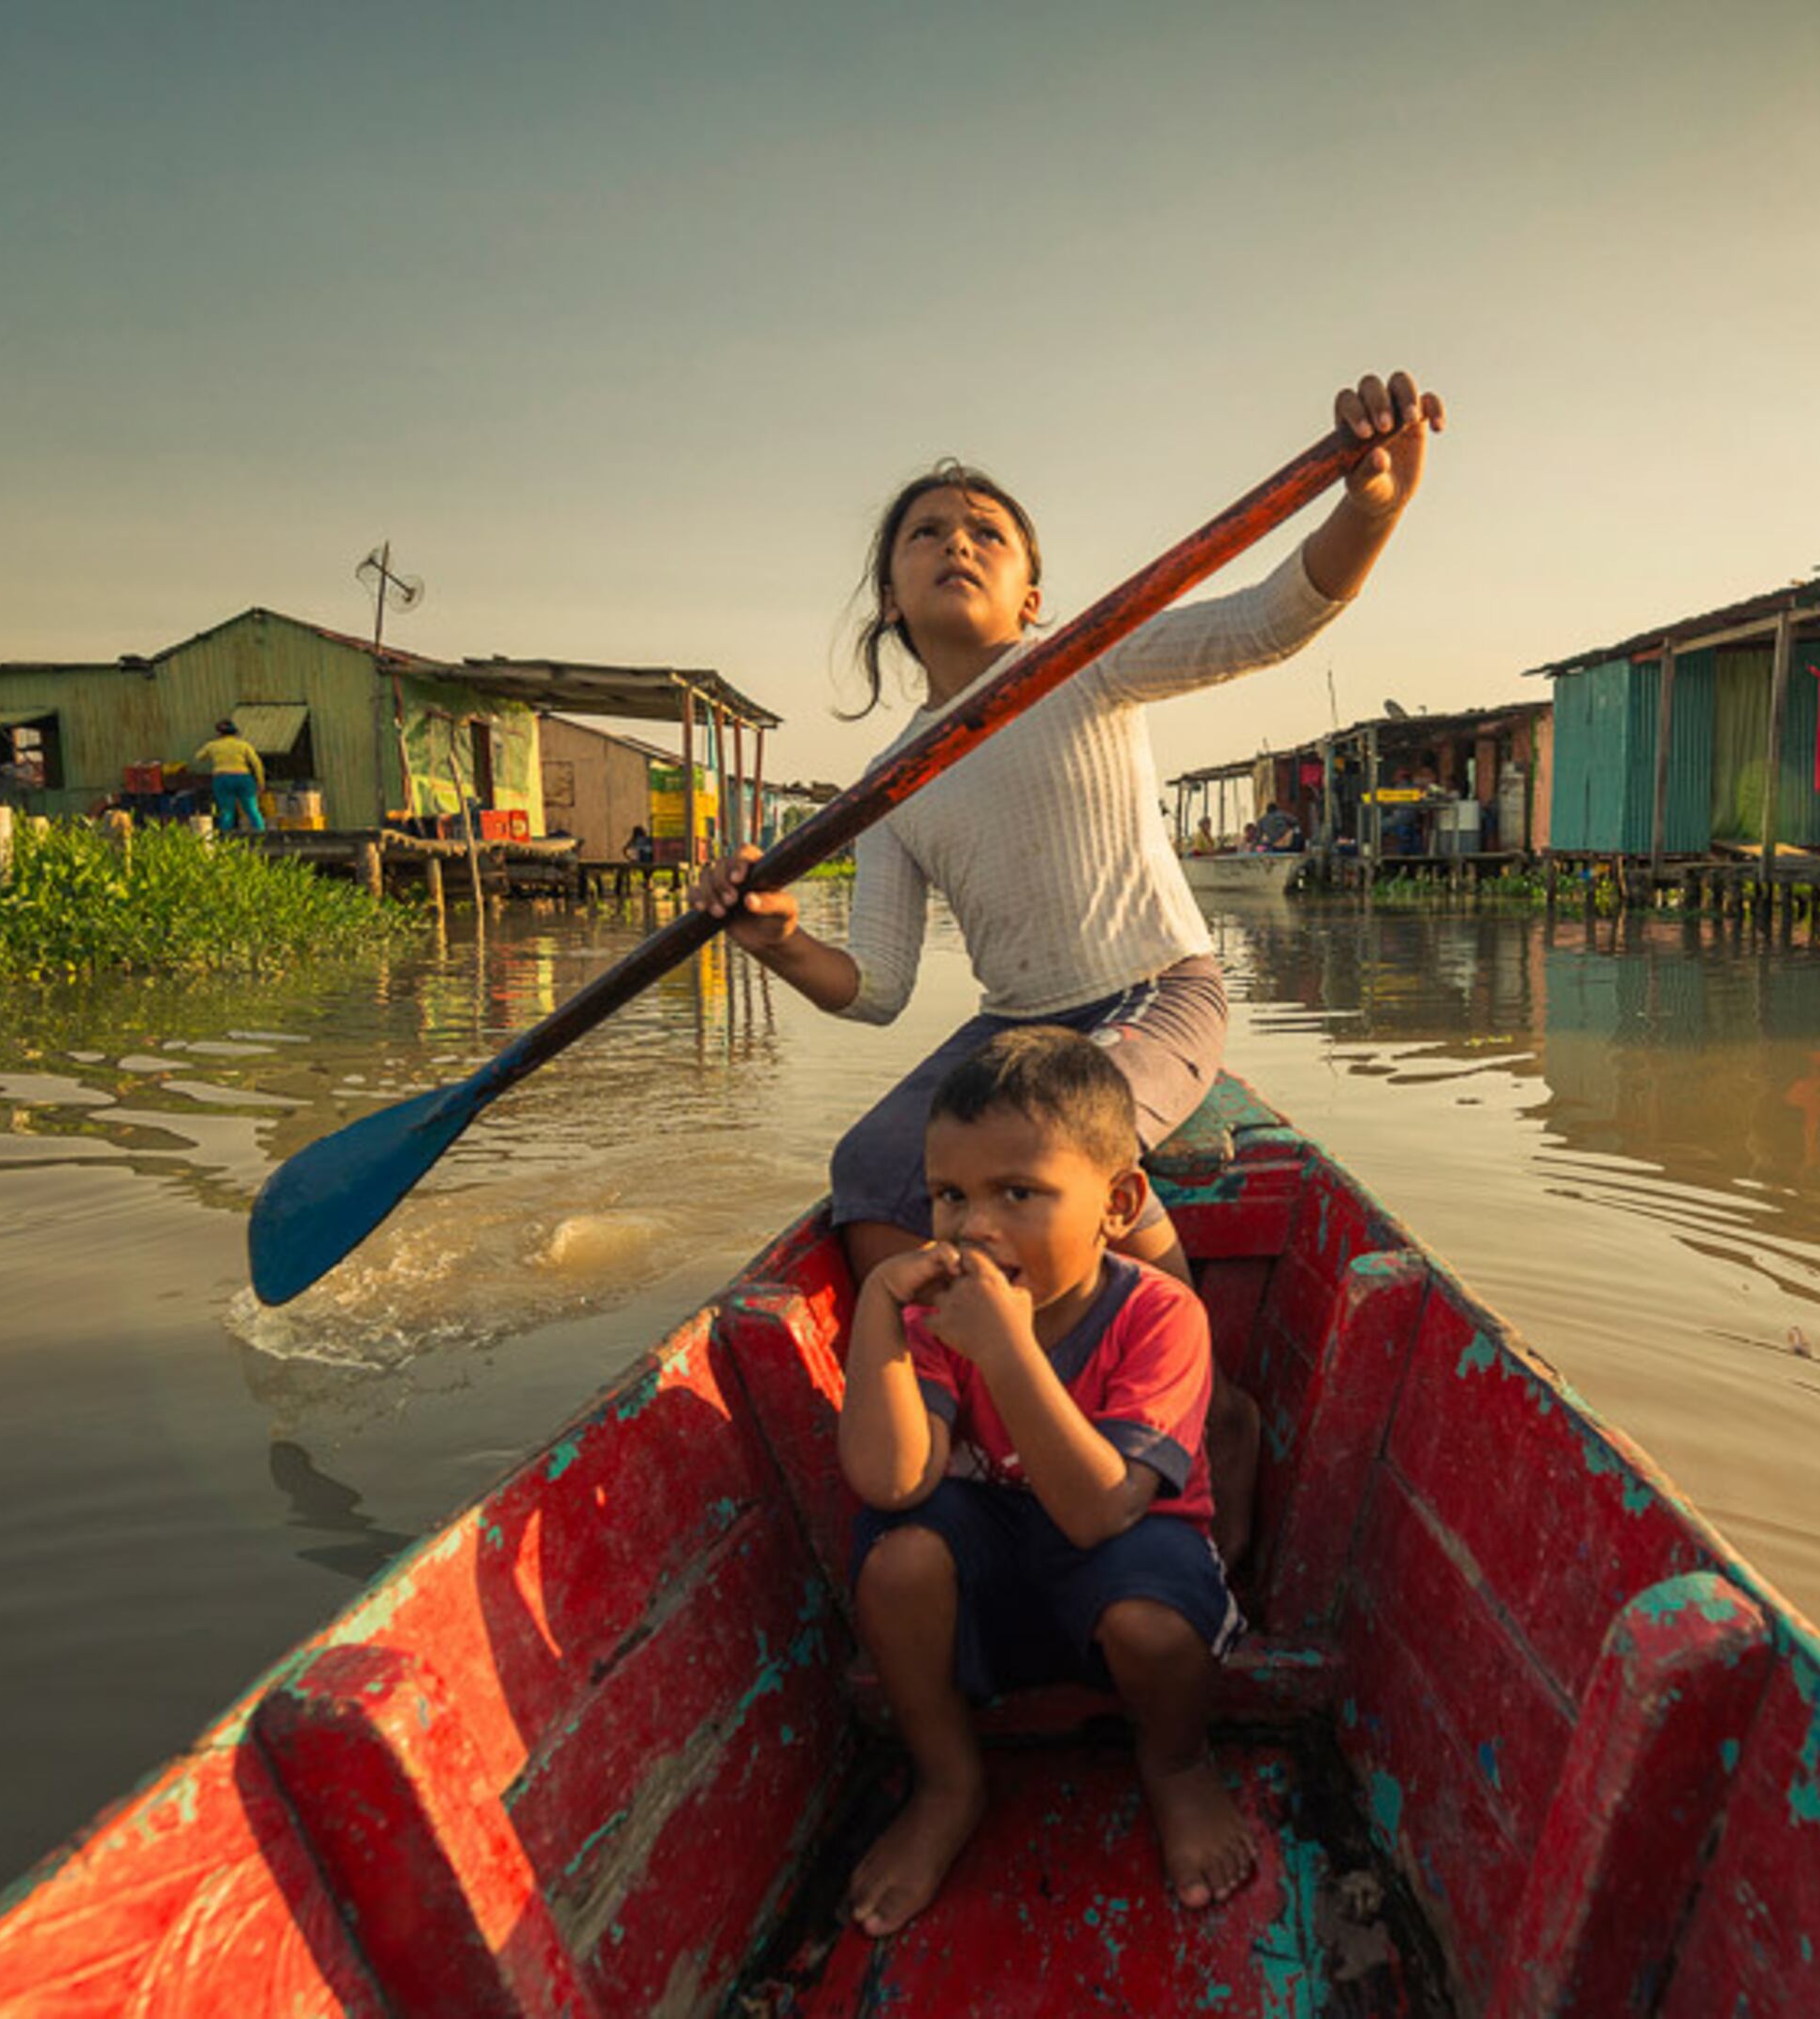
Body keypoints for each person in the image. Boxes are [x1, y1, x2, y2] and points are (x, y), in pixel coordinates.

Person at [693, 371, 1443, 1567]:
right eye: (927, 533)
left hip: (1158, 988)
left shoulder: (1085, 659)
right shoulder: (891, 784)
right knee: (871, 1167)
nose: (957, 543)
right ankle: (977, 1395)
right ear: (890, 599)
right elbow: (875, 987)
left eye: (986, 532)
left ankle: (1208, 1410)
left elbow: (1272, 618)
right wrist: (778, 940)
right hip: (1018, 1020)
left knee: (1066, 1138)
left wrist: (1373, 505)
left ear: (1030, 592)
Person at [838, 1027, 1245, 1934]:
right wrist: (879, 1309)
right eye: (949, 1196)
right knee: (895, 1560)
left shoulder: (1160, 1315)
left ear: (1117, 1203)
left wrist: (1009, 1351)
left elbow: (1105, 1511)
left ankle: (1177, 1766)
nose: (974, 1227)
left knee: (1153, 1624)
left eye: (1018, 1193)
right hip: (998, 1557)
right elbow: (891, 1481)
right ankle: (948, 1781)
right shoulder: (943, 1315)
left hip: (1124, 1546)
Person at [191, 719, 265, 831]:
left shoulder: (213, 745)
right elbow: (256, 763)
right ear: (235, 733)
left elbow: (198, 757)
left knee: (227, 811)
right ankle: (261, 833)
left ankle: (226, 838)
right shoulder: (243, 745)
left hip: (222, 778)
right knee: (252, 809)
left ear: (219, 733)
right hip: (243, 777)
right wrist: (260, 781)